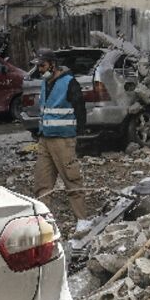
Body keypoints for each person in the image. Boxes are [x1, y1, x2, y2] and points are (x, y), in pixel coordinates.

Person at [32, 48, 89, 219]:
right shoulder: (44, 82)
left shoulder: (69, 82)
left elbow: (81, 111)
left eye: (42, 65)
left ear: (53, 64)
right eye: (38, 66)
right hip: (45, 139)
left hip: (63, 140)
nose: (39, 69)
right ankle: (43, 222)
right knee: (42, 183)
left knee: (72, 180)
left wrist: (78, 135)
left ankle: (82, 220)